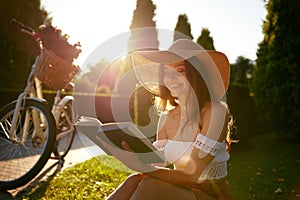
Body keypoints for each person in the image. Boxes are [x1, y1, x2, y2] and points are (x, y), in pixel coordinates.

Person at [105, 39, 236, 200]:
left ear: (197, 74)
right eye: (166, 72)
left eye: (180, 70)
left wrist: (140, 166)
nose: (171, 77)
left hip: (210, 195)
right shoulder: (166, 117)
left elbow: (190, 177)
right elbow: (156, 167)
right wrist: (130, 154)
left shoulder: (215, 112)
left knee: (150, 185)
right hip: (178, 191)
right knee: (133, 180)